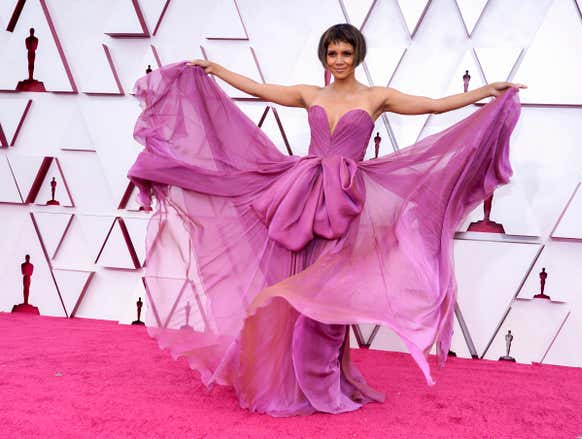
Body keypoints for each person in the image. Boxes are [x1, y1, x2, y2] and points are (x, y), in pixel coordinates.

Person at [127, 23, 524, 417]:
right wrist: (216, 70)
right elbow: (261, 90)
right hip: (303, 194)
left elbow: (434, 105)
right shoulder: (311, 93)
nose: (339, 61)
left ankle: (320, 377)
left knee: (329, 287)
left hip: (346, 200)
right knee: (292, 276)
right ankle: (284, 379)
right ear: (324, 56)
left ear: (357, 56)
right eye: (332, 54)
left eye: (346, 54)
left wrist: (487, 93)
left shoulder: (376, 97)